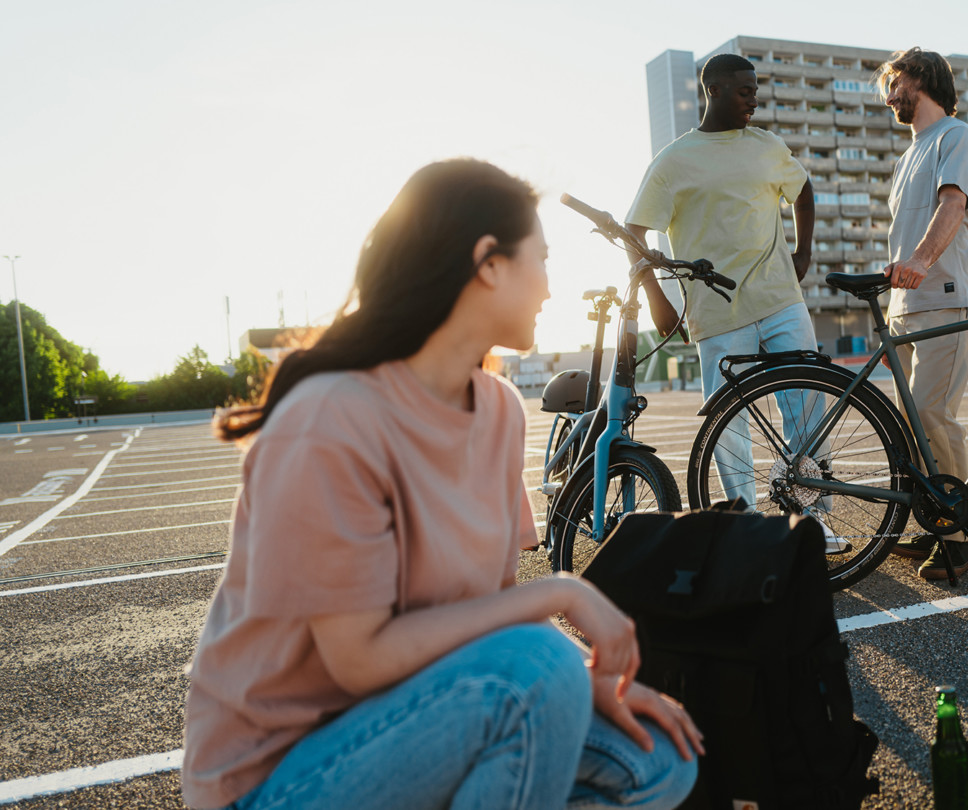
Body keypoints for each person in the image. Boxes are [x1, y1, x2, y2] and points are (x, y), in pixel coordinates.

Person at [181, 159, 702, 810]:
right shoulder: (329, 420)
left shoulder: (500, 410)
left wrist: (589, 679)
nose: (548, 287)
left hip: (421, 722)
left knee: (659, 762)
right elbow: (360, 660)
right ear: (489, 263)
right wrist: (564, 598)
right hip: (275, 775)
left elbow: (490, 608)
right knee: (537, 671)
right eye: (541, 259)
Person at [624, 54, 842, 550]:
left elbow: (803, 191)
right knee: (728, 425)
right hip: (717, 311)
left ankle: (810, 516)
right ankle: (743, 526)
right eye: (745, 90)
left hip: (780, 298)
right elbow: (634, 231)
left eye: (756, 89)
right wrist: (658, 296)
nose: (755, 98)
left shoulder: (767, 145)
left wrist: (802, 251)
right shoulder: (673, 161)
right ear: (715, 90)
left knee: (806, 405)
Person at [877, 47, 968, 580]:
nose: (890, 95)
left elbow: (952, 204)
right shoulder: (907, 154)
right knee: (912, 428)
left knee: (931, 414)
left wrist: (921, 260)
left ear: (921, 79)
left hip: (945, 295)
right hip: (906, 306)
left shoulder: (955, 137)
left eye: (895, 83)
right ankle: (935, 523)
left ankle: (958, 538)